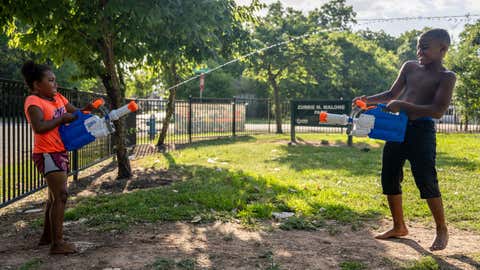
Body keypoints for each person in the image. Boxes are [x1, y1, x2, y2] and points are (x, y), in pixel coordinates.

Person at [353, 29, 456, 251]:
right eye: (418, 46)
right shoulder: (409, 67)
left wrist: (404, 106)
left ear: (443, 49)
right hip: (397, 128)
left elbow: (438, 110)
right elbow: (391, 95)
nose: (420, 51)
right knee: (389, 174)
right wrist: (366, 100)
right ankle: (399, 226)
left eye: (425, 47)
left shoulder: (447, 77)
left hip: (422, 130)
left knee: (426, 178)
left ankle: (441, 228)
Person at [22, 60, 94, 254]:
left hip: (59, 151)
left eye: (55, 80)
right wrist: (61, 119)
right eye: (50, 80)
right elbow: (39, 127)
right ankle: (57, 243)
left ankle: (47, 237)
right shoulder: (34, 102)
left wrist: (87, 109)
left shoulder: (59, 98)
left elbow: (76, 114)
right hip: (46, 153)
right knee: (61, 196)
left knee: (53, 197)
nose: (55, 84)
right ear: (37, 84)